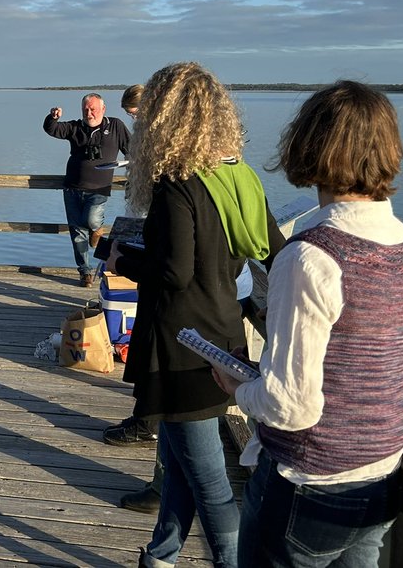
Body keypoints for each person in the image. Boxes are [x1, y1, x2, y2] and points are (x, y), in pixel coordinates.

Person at [214, 81, 403, 568]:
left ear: (309, 146)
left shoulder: (312, 256)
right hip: (382, 475)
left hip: (309, 486)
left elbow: (291, 407)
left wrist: (237, 386)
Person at [107, 62, 284, 568]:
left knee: (210, 484)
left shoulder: (177, 184)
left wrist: (125, 260)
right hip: (224, 338)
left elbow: (174, 272)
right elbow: (277, 251)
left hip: (180, 347)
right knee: (181, 465)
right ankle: (159, 556)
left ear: (163, 118)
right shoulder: (240, 177)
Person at [43, 93, 131, 288]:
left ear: (103, 109)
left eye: (93, 109)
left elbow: (131, 149)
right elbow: (52, 129)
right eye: (86, 110)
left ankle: (97, 228)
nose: (89, 113)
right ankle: (85, 272)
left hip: (99, 188)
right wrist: (53, 117)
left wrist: (133, 169)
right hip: (72, 188)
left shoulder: (115, 126)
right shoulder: (75, 127)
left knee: (91, 219)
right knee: (77, 233)